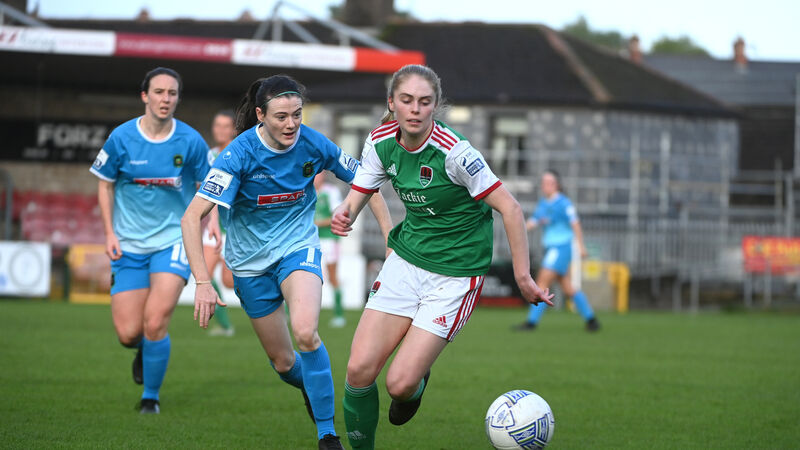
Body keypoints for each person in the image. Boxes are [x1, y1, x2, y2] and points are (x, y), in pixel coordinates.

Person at [329, 64, 555, 450]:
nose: (415, 109)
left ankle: (416, 382)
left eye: (424, 101)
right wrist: (346, 211)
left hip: (455, 274)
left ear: (435, 105)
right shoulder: (380, 142)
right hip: (406, 260)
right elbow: (361, 190)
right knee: (358, 369)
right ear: (392, 103)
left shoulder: (455, 153)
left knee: (399, 384)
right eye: (406, 100)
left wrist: (523, 277)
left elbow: (511, 208)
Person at [180, 74, 391, 450]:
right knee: (282, 362)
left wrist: (389, 240)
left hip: (298, 249)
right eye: (281, 116)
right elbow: (191, 216)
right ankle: (314, 385)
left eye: (297, 114)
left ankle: (327, 434)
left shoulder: (313, 143)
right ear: (261, 115)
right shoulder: (238, 154)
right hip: (249, 266)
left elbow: (367, 180)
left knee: (306, 332)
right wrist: (202, 281)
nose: (292, 124)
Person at [90, 67, 218, 414]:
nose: (166, 99)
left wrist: (214, 221)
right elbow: (104, 183)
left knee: (156, 320)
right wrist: (109, 232)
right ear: (145, 96)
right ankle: (143, 349)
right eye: (159, 92)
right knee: (129, 333)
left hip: (174, 241)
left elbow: (211, 185)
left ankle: (151, 397)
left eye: (172, 93)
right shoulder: (121, 138)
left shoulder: (190, 140)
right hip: (128, 245)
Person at [515, 169, 600, 332]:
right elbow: (533, 222)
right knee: (568, 287)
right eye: (543, 182)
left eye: (548, 182)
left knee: (542, 282)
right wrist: (517, 229)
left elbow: (575, 223)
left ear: (556, 185)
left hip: (561, 248)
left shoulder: (563, 203)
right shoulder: (543, 204)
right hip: (553, 249)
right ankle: (591, 320)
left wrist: (581, 246)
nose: (544, 186)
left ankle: (531, 322)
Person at [203, 109, 237, 337]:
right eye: (217, 125)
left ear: (234, 129)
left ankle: (276, 299)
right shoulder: (210, 155)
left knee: (228, 282)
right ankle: (225, 326)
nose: (220, 130)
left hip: (235, 229)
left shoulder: (240, 153)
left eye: (226, 126)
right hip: (214, 225)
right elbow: (208, 191)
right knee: (204, 275)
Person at [313, 172, 346, 328]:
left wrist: (316, 223)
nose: (316, 176)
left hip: (329, 239)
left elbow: (336, 216)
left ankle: (339, 315)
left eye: (319, 174)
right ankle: (288, 313)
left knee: (332, 276)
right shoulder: (305, 190)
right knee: (302, 273)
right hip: (311, 240)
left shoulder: (331, 192)